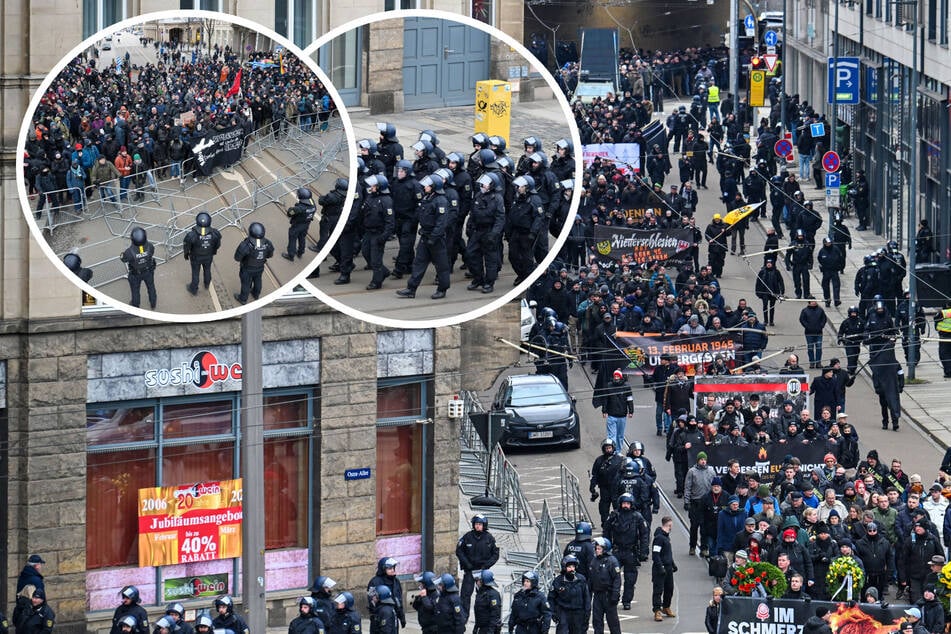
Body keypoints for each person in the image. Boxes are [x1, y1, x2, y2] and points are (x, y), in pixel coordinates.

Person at [396, 174, 450, 299]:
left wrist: (434, 237)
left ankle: (442, 289)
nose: (424, 187)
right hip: (425, 235)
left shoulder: (440, 201)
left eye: (427, 185)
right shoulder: (427, 198)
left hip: (436, 239)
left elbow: (441, 223)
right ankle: (411, 289)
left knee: (441, 265)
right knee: (418, 263)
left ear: (433, 187)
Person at [603, 493, 650, 610]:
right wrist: (606, 548)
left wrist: (644, 551)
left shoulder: (637, 517)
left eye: (628, 503)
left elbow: (644, 534)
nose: (625, 506)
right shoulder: (614, 515)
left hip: (631, 551)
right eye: (624, 503)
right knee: (612, 576)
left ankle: (627, 600)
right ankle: (613, 598)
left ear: (631, 504)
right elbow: (606, 531)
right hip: (617, 550)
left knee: (630, 579)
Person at [464, 172, 505, 293]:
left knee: (490, 259)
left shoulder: (497, 198)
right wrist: (469, 226)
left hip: (490, 231)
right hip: (477, 231)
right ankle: (478, 278)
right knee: (470, 254)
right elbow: (473, 213)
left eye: (485, 184)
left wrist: (494, 234)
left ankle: (489, 282)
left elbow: (500, 218)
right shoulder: (478, 195)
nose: (482, 186)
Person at [456, 514, 500, 619]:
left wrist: (486, 565)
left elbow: (495, 554)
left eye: (480, 524)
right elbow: (459, 551)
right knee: (465, 595)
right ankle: (464, 617)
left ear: (484, 525)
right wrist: (467, 564)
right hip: (470, 570)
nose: (478, 526)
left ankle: (482, 618)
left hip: (482, 572)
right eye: (476, 524)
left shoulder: (489, 538)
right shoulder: (467, 537)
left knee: (484, 596)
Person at [359, 175, 395, 290]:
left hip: (378, 233)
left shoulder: (386, 201)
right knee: (365, 252)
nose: (371, 187)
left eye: (374, 185)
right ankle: (383, 271)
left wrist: (383, 236)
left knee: (376, 259)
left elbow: (390, 222)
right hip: (368, 232)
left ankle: (376, 281)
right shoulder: (371, 197)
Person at [233, 222, 275, 304]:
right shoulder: (267, 243)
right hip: (260, 267)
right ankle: (256, 294)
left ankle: (243, 299)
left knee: (246, 284)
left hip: (247, 268)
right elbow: (270, 255)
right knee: (258, 280)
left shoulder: (246, 245)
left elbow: (237, 258)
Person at [548, 556, 590, 634]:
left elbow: (586, 598)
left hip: (578, 613)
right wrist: (553, 613)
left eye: (573, 566)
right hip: (563, 613)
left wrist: (587, 614)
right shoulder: (558, 581)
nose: (572, 569)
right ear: (564, 567)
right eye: (569, 567)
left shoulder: (581, 580)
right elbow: (551, 598)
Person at [182, 212, 222, 295]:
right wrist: (212, 251)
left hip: (196, 257)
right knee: (207, 270)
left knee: (195, 273)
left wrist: (186, 255)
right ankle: (207, 284)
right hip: (208, 256)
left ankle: (193, 289)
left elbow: (187, 247)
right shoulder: (215, 234)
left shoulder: (191, 235)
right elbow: (217, 245)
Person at [119, 227, 157, 310]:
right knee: (151, 287)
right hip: (148, 271)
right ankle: (153, 303)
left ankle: (135, 306)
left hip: (135, 274)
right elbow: (152, 253)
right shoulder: (150, 246)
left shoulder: (129, 252)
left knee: (135, 291)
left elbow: (123, 259)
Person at [595, 370, 634, 450]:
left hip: (622, 416)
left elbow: (630, 399)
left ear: (621, 377)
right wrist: (604, 411)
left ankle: (618, 451)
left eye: (618, 376)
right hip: (611, 415)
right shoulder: (609, 386)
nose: (616, 378)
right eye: (615, 376)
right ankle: (612, 451)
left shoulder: (626, 386)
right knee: (611, 435)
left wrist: (631, 411)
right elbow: (605, 399)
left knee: (620, 435)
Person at [589, 537, 621, 634]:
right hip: (597, 595)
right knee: (597, 621)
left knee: (613, 622)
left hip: (608, 595)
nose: (597, 550)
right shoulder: (594, 561)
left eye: (599, 549)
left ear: (605, 549)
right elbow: (591, 578)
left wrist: (615, 594)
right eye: (596, 548)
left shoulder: (612, 561)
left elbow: (617, 579)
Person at [685, 452, 715, 556]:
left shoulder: (711, 471)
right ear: (698, 460)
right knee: (694, 526)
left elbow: (714, 485)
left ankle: (704, 548)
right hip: (695, 502)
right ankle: (692, 546)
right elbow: (688, 487)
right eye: (701, 459)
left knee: (705, 528)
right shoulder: (692, 471)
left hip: (706, 503)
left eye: (704, 459)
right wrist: (686, 501)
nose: (703, 461)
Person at [590, 439, 624, 525]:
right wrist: (592, 487)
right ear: (603, 449)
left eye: (610, 448)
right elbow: (594, 475)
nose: (608, 450)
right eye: (606, 448)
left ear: (613, 448)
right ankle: (605, 525)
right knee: (603, 508)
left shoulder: (620, 460)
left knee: (618, 508)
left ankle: (619, 524)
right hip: (604, 488)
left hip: (617, 489)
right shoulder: (599, 460)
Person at [367, 558, 405, 629]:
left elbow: (398, 600)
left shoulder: (396, 581)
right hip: (379, 617)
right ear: (383, 569)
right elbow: (372, 601)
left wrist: (401, 616)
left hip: (393, 617)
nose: (393, 570)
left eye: (393, 568)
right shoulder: (374, 582)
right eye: (390, 568)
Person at [651, 516, 677, 622]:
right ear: (669, 525)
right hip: (660, 569)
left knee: (669, 588)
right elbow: (655, 554)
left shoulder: (666, 537)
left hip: (668, 568)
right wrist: (660, 567)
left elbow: (667, 553)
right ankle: (657, 610)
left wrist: (672, 564)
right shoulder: (659, 538)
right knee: (658, 590)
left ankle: (666, 607)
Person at [283, 187, 317, 262]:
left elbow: (290, 213)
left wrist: (290, 209)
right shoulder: (313, 204)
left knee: (292, 239)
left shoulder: (299, 208)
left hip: (297, 225)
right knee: (302, 238)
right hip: (306, 225)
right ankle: (300, 252)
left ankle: (291, 255)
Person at [754, 258, 785, 326]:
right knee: (765, 306)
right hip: (764, 292)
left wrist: (782, 291)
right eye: (767, 263)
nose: (768, 264)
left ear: (772, 264)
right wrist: (757, 292)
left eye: (770, 263)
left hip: (774, 292)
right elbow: (758, 282)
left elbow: (781, 281)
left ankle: (771, 321)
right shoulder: (762, 272)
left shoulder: (776, 272)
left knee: (772, 307)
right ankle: (765, 320)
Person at [800, 299, 828, 369]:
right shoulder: (805, 311)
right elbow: (802, 319)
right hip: (809, 333)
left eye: (815, 301)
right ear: (809, 303)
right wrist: (807, 326)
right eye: (812, 301)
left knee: (819, 348)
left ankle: (818, 362)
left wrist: (821, 326)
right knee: (810, 348)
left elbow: (824, 319)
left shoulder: (820, 310)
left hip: (819, 333)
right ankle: (812, 362)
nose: (814, 302)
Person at [934, 300, 951, 379]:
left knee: (944, 355)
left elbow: (936, 321)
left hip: (945, 337)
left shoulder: (943, 313)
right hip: (945, 336)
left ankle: (948, 372)